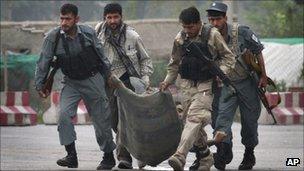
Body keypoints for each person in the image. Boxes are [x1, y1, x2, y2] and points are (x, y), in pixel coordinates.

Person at [34, 3, 116, 170]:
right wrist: (40, 84)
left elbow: (101, 56)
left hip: (93, 79)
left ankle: (108, 157)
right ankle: (71, 156)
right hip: (71, 82)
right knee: (63, 115)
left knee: (101, 121)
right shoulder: (53, 37)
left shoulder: (88, 33)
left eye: (68, 19)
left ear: (76, 19)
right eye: (62, 18)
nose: (64, 23)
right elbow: (43, 62)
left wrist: (108, 76)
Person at [159, 6, 235, 171]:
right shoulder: (180, 38)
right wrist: (167, 81)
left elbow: (229, 57)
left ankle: (180, 155)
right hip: (186, 85)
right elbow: (174, 63)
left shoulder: (212, 35)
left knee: (195, 118)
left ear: (199, 23)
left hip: (206, 84)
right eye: (185, 27)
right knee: (191, 122)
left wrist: (221, 72)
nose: (188, 30)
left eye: (191, 27)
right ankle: (206, 156)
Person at [206, 2, 267, 170]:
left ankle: (249, 153)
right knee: (221, 119)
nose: (214, 24)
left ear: (225, 18)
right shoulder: (208, 35)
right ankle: (224, 150)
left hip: (247, 82)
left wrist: (263, 75)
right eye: (211, 20)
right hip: (225, 85)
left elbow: (258, 51)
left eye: (217, 19)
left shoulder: (242, 32)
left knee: (249, 121)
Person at [95, 3, 153, 169]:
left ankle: (124, 158)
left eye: (116, 17)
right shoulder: (98, 34)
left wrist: (145, 79)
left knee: (123, 121)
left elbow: (145, 59)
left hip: (127, 83)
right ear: (104, 18)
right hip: (107, 83)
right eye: (109, 17)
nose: (113, 21)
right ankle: (137, 148)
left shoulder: (132, 36)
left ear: (121, 17)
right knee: (112, 121)